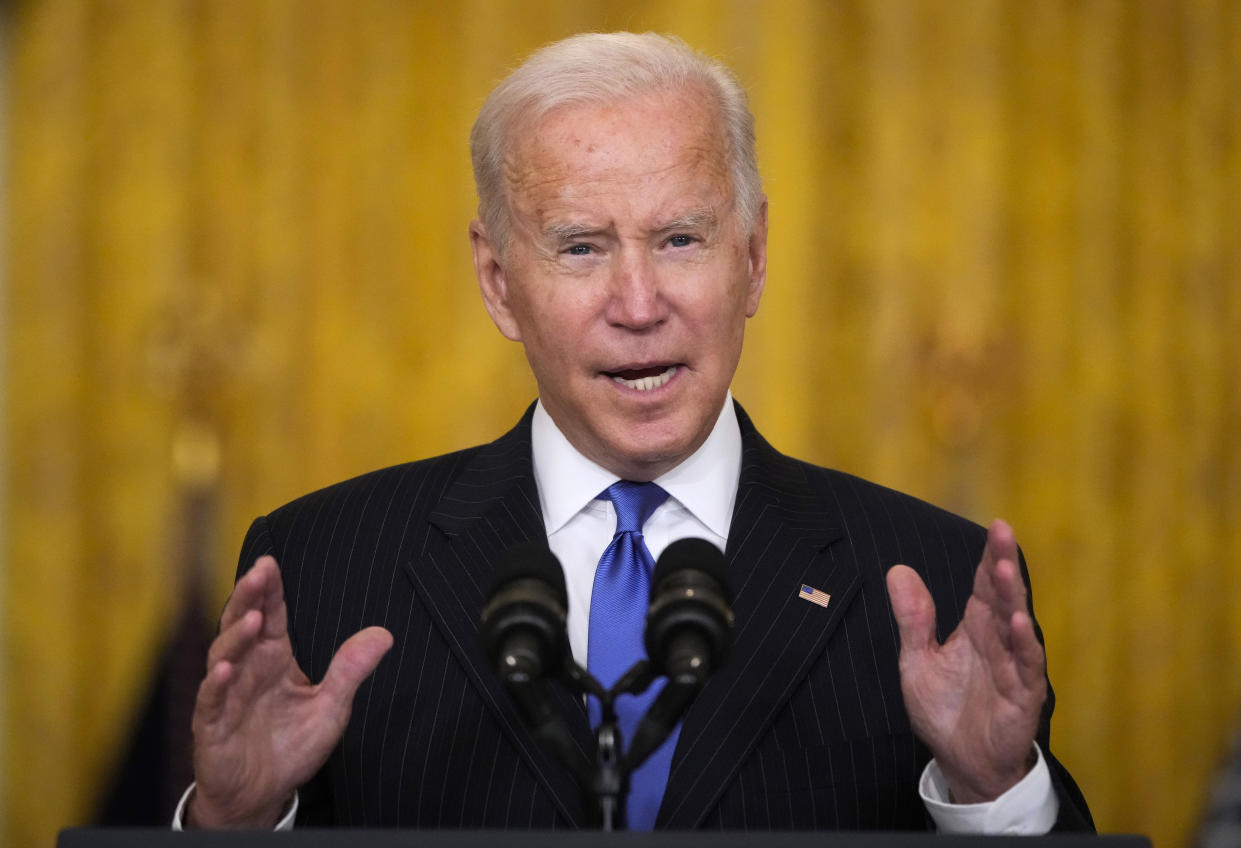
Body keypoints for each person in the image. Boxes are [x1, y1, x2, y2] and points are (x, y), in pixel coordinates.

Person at [179, 32, 1092, 832]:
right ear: (498, 282)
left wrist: (991, 794)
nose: (639, 304)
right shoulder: (323, 567)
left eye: (680, 240)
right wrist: (237, 821)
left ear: (755, 258)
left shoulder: (931, 581)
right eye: (581, 246)